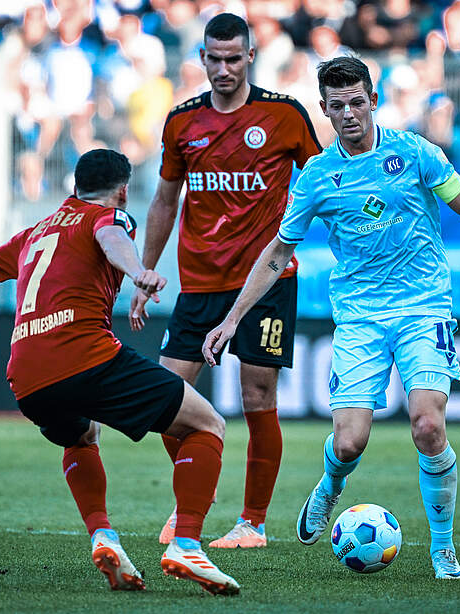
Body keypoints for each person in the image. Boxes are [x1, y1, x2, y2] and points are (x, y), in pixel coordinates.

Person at [202, 57, 460, 580]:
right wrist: (231, 319)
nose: (349, 114)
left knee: (428, 426)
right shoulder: (317, 176)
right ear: (324, 110)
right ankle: (330, 486)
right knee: (349, 442)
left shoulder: (413, 152)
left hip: (422, 308)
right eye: (337, 107)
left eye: (357, 102)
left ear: (373, 101)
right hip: (360, 317)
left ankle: (443, 550)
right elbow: (277, 253)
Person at [0, 149, 239, 596]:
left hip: (26, 376)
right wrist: (139, 272)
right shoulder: (109, 216)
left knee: (81, 435)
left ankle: (104, 536)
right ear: (123, 191)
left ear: (73, 188)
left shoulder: (35, 231)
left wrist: (16, 250)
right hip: (84, 354)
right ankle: (187, 543)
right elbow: (112, 237)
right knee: (206, 424)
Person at [132, 13, 322, 549]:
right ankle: (199, 486)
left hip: (266, 281)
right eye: (213, 59)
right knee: (165, 398)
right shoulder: (181, 122)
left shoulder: (284, 116)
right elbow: (165, 199)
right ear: (202, 60)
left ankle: (253, 523)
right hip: (198, 283)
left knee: (257, 394)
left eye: (233, 58)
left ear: (251, 56)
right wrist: (146, 273)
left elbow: (326, 176)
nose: (223, 69)